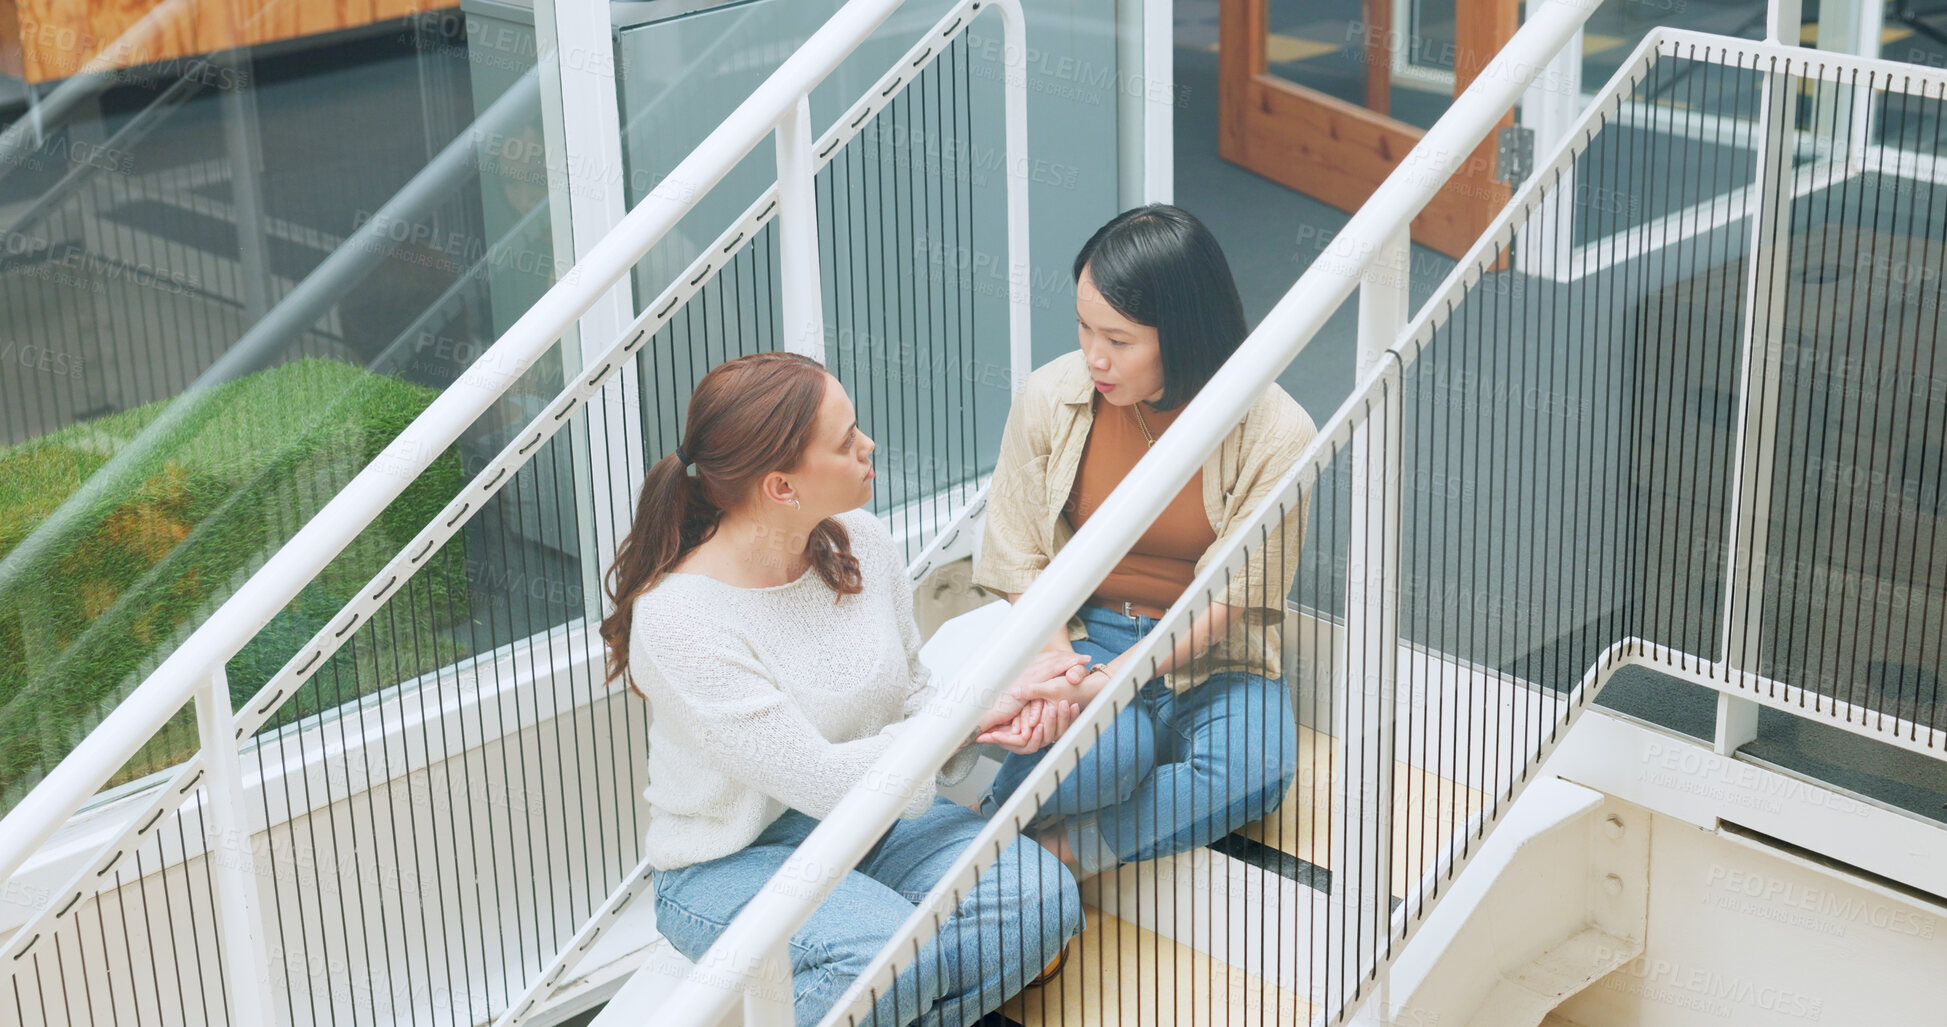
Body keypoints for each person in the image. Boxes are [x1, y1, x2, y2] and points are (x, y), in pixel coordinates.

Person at [602, 351, 1086, 1027]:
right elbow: (822, 778)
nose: (869, 445)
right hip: (730, 862)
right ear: (780, 486)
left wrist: (982, 723)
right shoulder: (682, 618)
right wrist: (969, 711)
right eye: (844, 440)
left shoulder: (862, 540)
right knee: (890, 953)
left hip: (874, 824)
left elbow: (915, 696)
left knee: (1040, 900)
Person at [971, 204, 1316, 880]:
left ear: (1184, 333)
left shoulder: (1277, 431)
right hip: (1082, 631)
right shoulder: (1050, 397)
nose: (1093, 356)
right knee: (1105, 757)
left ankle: (1054, 855)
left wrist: (1109, 685)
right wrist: (1066, 668)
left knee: (1257, 768)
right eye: (1084, 327)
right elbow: (1020, 557)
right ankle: (981, 840)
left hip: (1212, 651)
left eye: (1119, 340)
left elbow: (1228, 601)